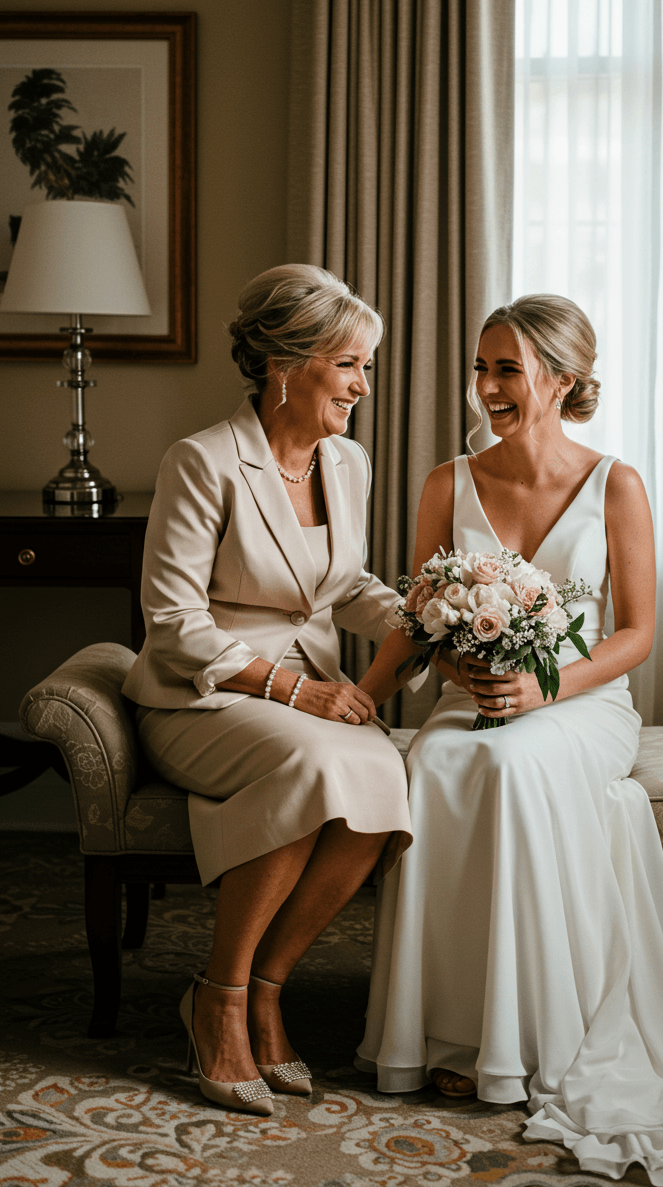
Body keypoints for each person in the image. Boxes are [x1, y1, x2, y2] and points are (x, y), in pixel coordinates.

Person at [352, 294, 663, 1184]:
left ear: (563, 378)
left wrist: (542, 684)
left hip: (582, 700)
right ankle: (450, 1028)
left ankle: (522, 1040)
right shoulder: (447, 483)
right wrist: (363, 697)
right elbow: (419, 618)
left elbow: (636, 634)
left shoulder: (615, 483)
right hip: (470, 696)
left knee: (509, 766)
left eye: (506, 369)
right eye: (480, 367)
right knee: (438, 758)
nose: (486, 386)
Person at [123, 264, 418, 1117]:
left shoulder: (348, 461)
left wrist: (418, 616)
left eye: (367, 366)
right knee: (320, 762)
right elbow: (172, 623)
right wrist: (295, 691)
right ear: (287, 363)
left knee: (380, 781)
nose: (364, 386)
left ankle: (265, 990)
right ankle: (216, 998)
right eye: (350, 364)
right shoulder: (203, 461)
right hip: (202, 697)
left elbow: (345, 583)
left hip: (307, 699)